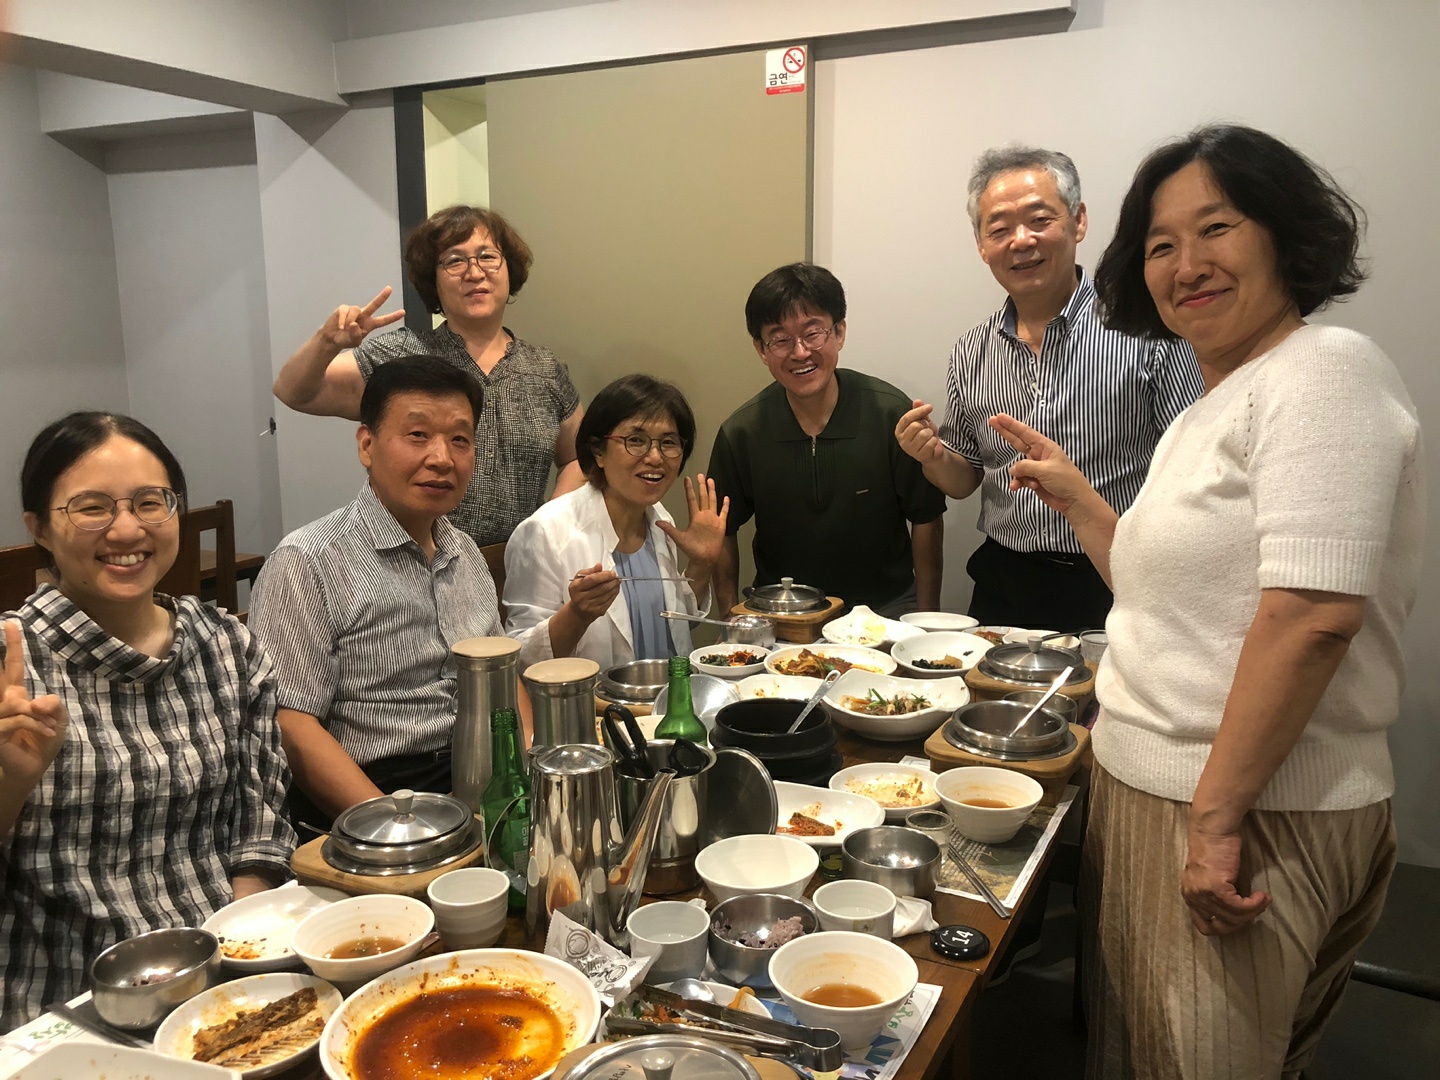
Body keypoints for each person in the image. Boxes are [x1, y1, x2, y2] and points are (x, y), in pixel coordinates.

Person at [995, 125, 1423, 1079]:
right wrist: (1079, 498)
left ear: (1284, 233)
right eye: (1161, 245)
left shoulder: (1324, 369)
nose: (1186, 264)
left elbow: (1311, 618)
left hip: (1246, 811)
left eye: (1216, 229)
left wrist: (1219, 823)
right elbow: (1162, 596)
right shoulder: (1208, 407)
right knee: (1142, 1055)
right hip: (1157, 791)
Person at [0, 413, 294, 1030]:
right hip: (68, 1007)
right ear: (39, 528)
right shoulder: (11, 667)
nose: (127, 528)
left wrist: (236, 956)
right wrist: (11, 784)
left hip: (228, 974)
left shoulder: (227, 644)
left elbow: (260, 821)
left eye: (149, 502)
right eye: (92, 507)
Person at [896, 146, 1203, 630]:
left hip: (1115, 576)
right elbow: (964, 480)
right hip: (1005, 581)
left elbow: (1193, 473)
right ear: (981, 245)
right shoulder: (971, 350)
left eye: (1040, 220)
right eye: (999, 229)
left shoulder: (1148, 329)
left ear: (1078, 221)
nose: (1021, 241)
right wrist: (932, 456)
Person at [250, 356, 514, 834]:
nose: (442, 458)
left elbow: (501, 674)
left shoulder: (465, 551)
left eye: (460, 439)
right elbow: (290, 723)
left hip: (476, 777)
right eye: (418, 435)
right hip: (372, 795)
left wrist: (524, 776)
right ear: (367, 445)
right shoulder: (307, 561)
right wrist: (398, 824)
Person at [272, 204, 584, 548]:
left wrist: (547, 525)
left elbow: (577, 456)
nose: (474, 272)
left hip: (524, 561)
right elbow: (293, 391)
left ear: (509, 268)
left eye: (487, 257)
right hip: (414, 559)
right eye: (454, 261)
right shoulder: (400, 355)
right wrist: (327, 342)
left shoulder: (544, 369)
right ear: (432, 280)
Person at [709, 264, 947, 617]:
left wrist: (926, 619)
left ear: (839, 333)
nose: (800, 352)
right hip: (783, 611)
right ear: (761, 349)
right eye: (780, 339)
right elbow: (721, 529)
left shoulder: (890, 415)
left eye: (813, 333)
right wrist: (730, 618)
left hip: (886, 609)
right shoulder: (742, 432)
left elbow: (926, 517)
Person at [505, 374, 727, 669]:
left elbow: (672, 625)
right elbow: (519, 660)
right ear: (598, 451)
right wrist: (577, 615)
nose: (655, 457)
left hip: (664, 694)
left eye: (669, 443)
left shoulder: (659, 519)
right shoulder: (545, 531)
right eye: (636, 440)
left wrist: (702, 564)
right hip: (592, 698)